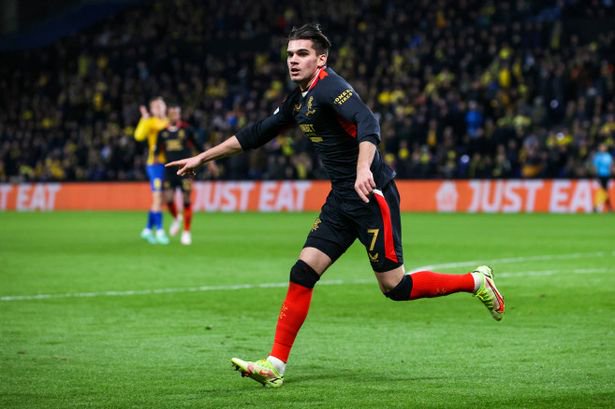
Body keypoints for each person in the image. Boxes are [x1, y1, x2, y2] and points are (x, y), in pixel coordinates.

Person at [167, 24, 505, 388]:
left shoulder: (331, 88)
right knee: (302, 272)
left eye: (302, 54)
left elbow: (368, 122)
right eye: (290, 54)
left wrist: (363, 170)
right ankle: (274, 366)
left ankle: (475, 281)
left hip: (371, 195)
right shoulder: (298, 99)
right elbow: (256, 133)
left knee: (395, 287)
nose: (293, 60)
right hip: (341, 199)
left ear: (321, 59)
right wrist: (202, 157)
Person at [156, 104, 218, 245]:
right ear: (168, 115)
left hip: (186, 169)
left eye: (177, 113)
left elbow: (199, 146)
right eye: (173, 113)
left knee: (186, 200)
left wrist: (210, 162)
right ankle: (177, 218)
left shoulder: (187, 130)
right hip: (169, 171)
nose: (175, 116)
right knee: (168, 199)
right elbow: (156, 152)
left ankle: (186, 232)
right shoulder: (162, 132)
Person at [134, 96, 170, 245]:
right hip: (154, 164)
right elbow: (138, 136)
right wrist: (144, 119)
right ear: (152, 109)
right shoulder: (151, 122)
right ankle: (160, 231)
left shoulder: (167, 121)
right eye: (156, 106)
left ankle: (148, 229)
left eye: (161, 105)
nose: (160, 108)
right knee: (157, 197)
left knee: (161, 198)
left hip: (167, 164)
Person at [592, 143, 613, 212]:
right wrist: (595, 175)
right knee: (603, 190)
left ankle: (597, 206)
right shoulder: (597, 156)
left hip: (607, 175)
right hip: (600, 175)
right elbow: (595, 166)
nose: (602, 148)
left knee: (604, 191)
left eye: (603, 147)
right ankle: (607, 206)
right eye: (601, 147)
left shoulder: (608, 156)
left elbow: (611, 166)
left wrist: (611, 173)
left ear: (605, 148)